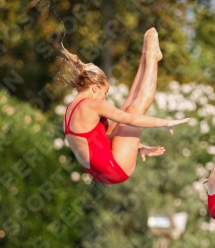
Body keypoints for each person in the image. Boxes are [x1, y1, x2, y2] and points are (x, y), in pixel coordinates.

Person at [58, 28, 189, 184]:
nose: (103, 98)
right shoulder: (91, 105)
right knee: (135, 108)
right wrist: (165, 122)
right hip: (115, 168)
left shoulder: (70, 110)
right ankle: (152, 58)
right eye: (104, 93)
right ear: (94, 87)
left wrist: (136, 147)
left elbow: (97, 143)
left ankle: (146, 54)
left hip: (106, 171)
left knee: (126, 107)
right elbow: (131, 120)